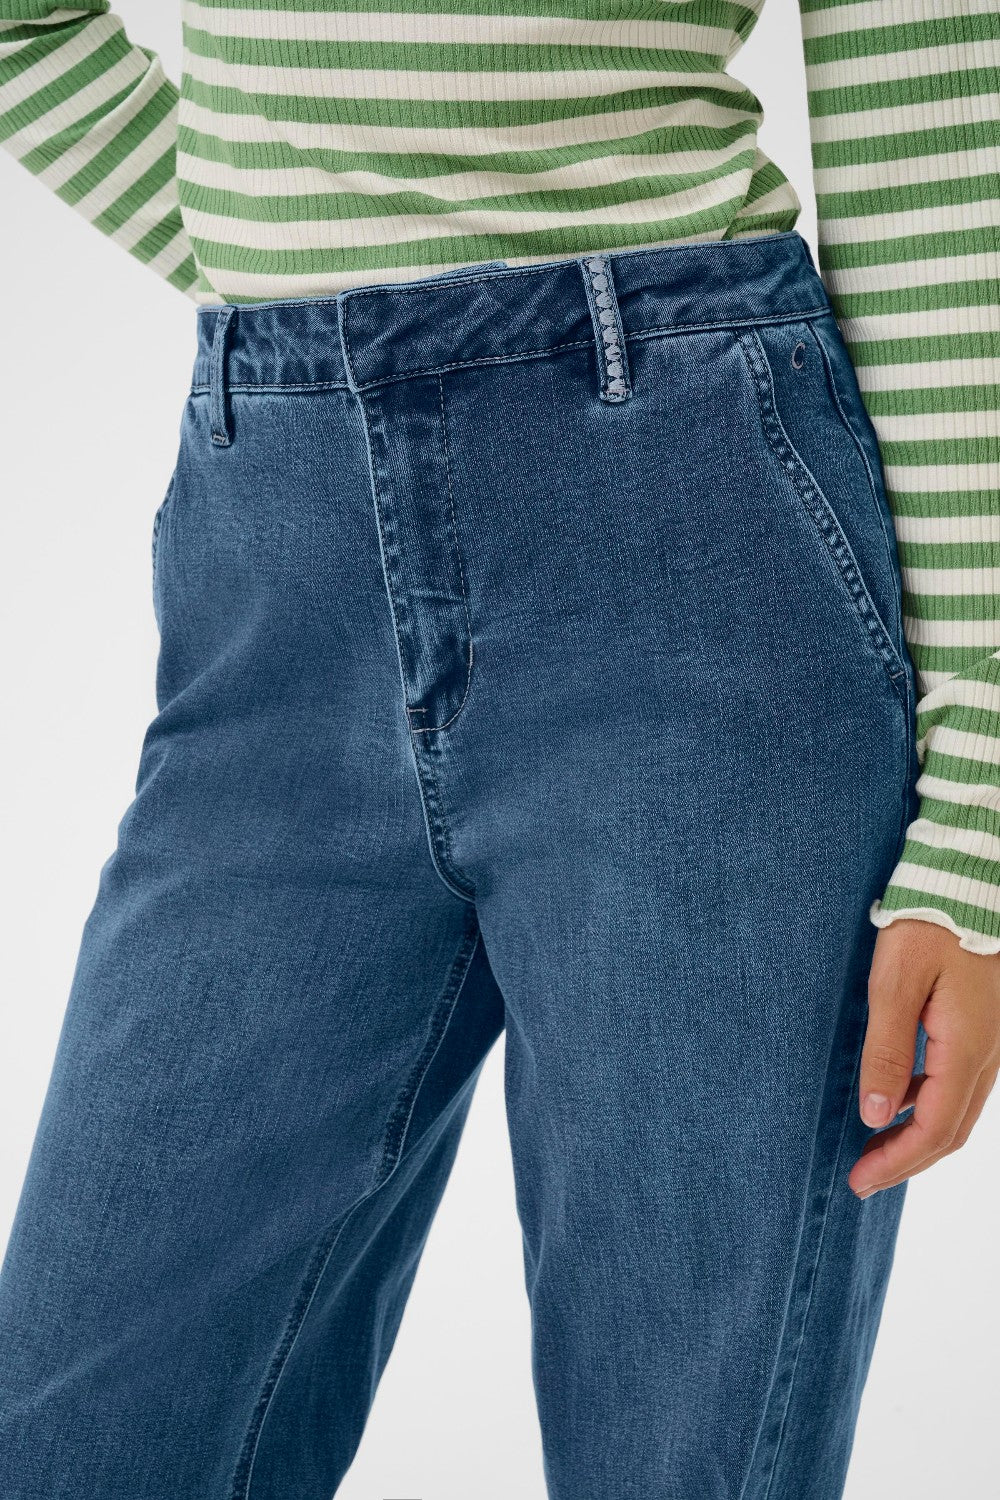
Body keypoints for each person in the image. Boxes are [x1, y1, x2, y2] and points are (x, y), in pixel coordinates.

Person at [0, 0, 997, 1495]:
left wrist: (977, 803)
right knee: (82, 1435)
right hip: (280, 550)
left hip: (692, 543)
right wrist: (302, 288)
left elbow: (930, 111)